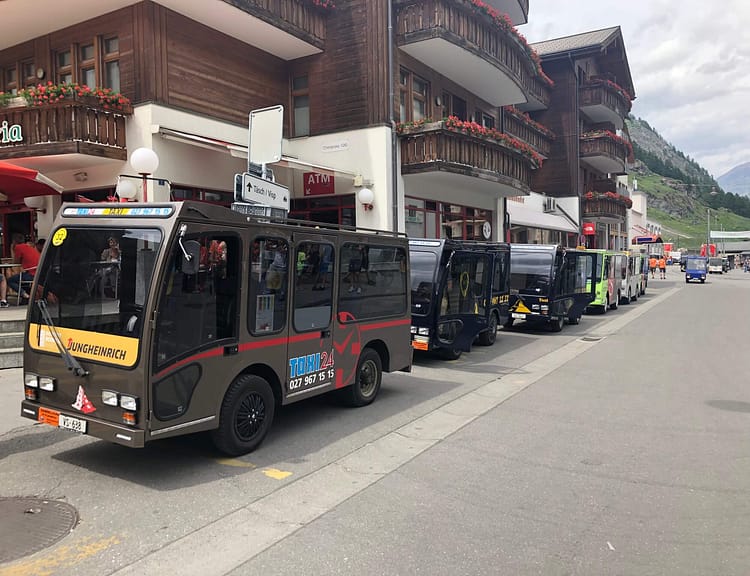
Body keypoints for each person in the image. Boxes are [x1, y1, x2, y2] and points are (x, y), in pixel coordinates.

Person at [8, 233, 40, 303]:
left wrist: (12, 249)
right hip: (38, 273)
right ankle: (26, 298)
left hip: (31, 274)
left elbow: (15, 262)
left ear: (14, 241)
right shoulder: (29, 247)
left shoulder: (18, 247)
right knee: (22, 279)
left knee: (10, 280)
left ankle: (25, 295)